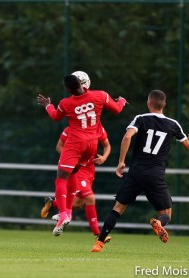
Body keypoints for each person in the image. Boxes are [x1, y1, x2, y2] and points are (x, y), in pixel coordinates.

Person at [91, 90, 189, 253]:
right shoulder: (173, 124)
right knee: (166, 213)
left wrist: (121, 162)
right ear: (164, 105)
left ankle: (98, 244)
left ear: (149, 103)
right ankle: (159, 223)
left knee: (118, 208)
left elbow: (127, 137)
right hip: (155, 175)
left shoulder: (140, 119)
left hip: (136, 172)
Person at [37, 74, 127, 236]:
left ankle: (64, 214)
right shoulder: (100, 95)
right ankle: (69, 212)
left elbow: (56, 117)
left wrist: (48, 105)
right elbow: (118, 109)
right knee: (74, 174)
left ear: (68, 89)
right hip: (92, 145)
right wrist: (121, 100)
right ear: (82, 83)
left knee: (61, 179)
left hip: (75, 143)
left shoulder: (66, 103)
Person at [41, 125, 112, 239]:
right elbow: (59, 146)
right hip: (78, 170)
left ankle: (53, 203)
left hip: (90, 171)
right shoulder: (71, 128)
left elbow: (107, 145)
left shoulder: (98, 127)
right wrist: (70, 159)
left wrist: (104, 157)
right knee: (90, 198)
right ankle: (98, 234)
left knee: (79, 203)